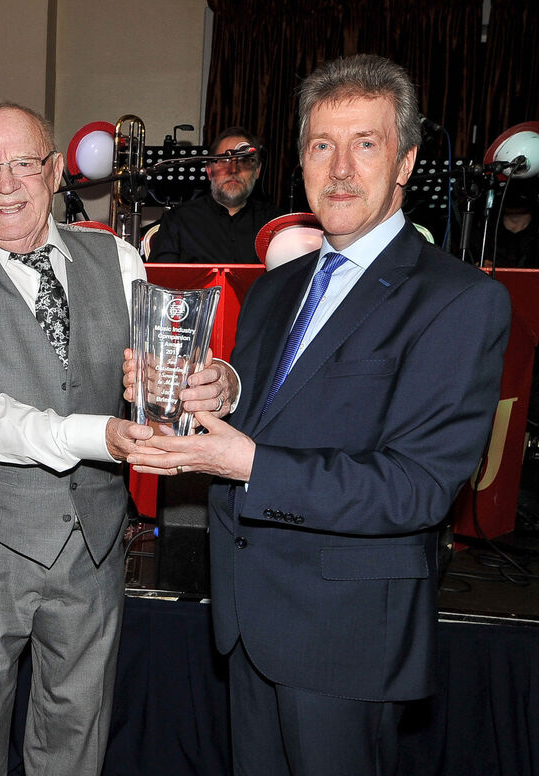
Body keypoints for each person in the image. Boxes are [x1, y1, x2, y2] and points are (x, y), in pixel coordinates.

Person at [127, 54, 511, 776]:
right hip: (249, 619)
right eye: (320, 146)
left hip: (346, 633)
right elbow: (285, 400)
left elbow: (417, 487)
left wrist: (246, 463)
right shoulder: (280, 286)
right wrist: (222, 391)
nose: (339, 169)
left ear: (405, 162)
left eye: (365, 144)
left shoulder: (459, 300)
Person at [0, 102, 237, 776]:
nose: (5, 184)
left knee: (76, 737)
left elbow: (154, 374)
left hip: (93, 539)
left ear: (55, 172)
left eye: (23, 163)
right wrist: (104, 436)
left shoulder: (115, 257)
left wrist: (214, 384)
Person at [148, 127, 281, 263]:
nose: (234, 169)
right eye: (225, 160)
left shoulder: (275, 224)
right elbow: (161, 280)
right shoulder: (178, 220)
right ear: (209, 171)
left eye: (243, 160)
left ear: (257, 171)